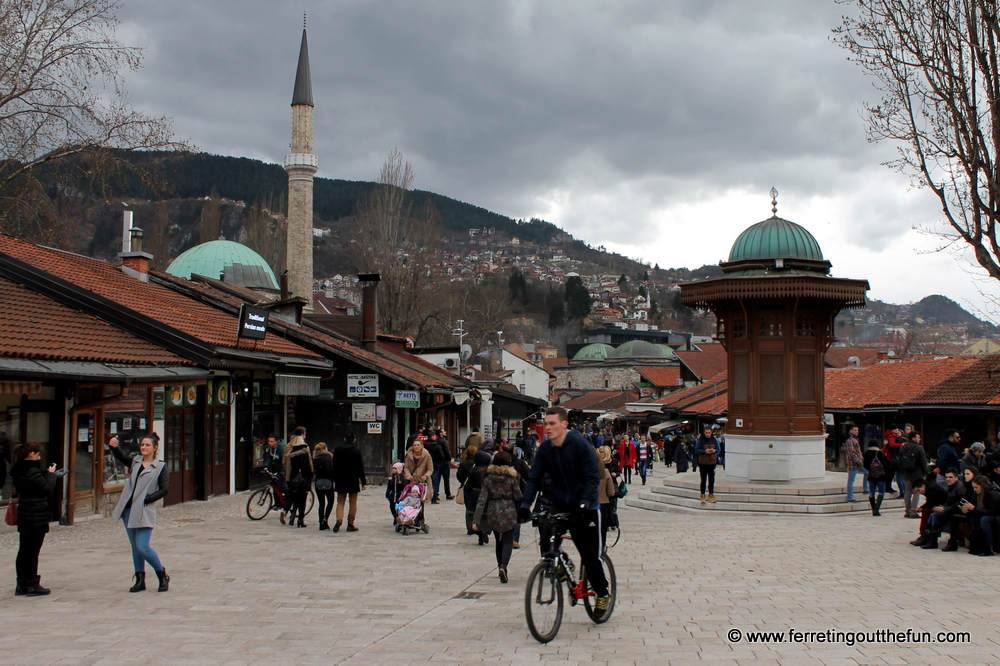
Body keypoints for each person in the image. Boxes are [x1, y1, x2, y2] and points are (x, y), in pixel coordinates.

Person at [519, 406, 611, 619]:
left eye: (552, 424)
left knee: (590, 556)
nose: (548, 428)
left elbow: (591, 478)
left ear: (564, 425)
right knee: (546, 543)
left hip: (586, 505)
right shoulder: (546, 449)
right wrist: (525, 506)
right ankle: (562, 564)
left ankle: (603, 593)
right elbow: (534, 478)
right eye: (546, 424)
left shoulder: (580, 445)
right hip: (560, 502)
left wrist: (584, 503)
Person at [109, 434, 170, 593]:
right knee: (135, 547)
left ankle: (161, 573)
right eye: (142, 444)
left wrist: (147, 499)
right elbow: (121, 457)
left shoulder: (160, 466)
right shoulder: (136, 462)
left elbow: (164, 489)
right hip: (128, 510)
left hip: (143, 510)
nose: (143, 447)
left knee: (142, 547)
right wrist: (114, 446)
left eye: (147, 445)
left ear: (155, 448)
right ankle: (140, 579)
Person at [10, 441, 57, 596]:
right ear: (32, 454)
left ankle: (21, 584)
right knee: (32, 551)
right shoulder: (32, 471)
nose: (39, 457)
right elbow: (47, 489)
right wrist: (51, 475)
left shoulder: (18, 470)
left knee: (24, 550)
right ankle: (32, 584)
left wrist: (44, 474)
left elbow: (32, 484)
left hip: (24, 512)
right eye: (38, 454)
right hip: (36, 514)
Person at [472, 451, 523, 583]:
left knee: (498, 541)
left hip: (493, 510)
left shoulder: (488, 477)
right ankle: (503, 566)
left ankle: (499, 565)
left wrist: (476, 520)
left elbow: (482, 499)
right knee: (507, 540)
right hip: (509, 510)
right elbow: (518, 495)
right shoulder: (512, 477)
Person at [921, 468, 965, 549]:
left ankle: (932, 540)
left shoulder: (960, 488)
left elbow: (959, 504)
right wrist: (943, 507)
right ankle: (927, 537)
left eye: (951, 477)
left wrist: (944, 509)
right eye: (947, 477)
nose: (948, 479)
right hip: (950, 509)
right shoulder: (951, 486)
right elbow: (948, 501)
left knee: (935, 515)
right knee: (933, 514)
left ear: (956, 478)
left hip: (958, 512)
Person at [332, 432, 367, 533]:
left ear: (344, 439)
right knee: (353, 503)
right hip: (353, 480)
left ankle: (339, 519)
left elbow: (334, 465)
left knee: (340, 501)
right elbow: (360, 467)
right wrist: (363, 482)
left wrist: (335, 478)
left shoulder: (337, 450)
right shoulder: (356, 451)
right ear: (354, 440)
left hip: (340, 479)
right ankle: (350, 524)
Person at [959, 475, 1000, 555]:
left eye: (976, 487)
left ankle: (989, 547)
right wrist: (967, 509)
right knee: (974, 518)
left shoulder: (994, 493)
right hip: (987, 513)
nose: (974, 490)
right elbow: (974, 507)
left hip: (996, 516)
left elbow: (992, 511)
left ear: (982, 486)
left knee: (984, 519)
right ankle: (976, 545)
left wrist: (974, 508)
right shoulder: (978, 493)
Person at [284, 430, 313, 528]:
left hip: (293, 476)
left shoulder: (291, 452)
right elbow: (307, 466)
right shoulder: (304, 451)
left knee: (295, 497)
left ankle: (292, 516)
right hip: (302, 477)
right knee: (303, 499)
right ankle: (300, 519)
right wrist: (310, 477)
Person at [464, 450, 493, 544]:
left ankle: (479, 534)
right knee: (486, 516)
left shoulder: (474, 470)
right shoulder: (490, 470)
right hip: (488, 495)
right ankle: (486, 530)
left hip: (475, 495)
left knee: (475, 515)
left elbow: (469, 484)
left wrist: (467, 495)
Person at [910, 477, 948, 547]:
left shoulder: (931, 489)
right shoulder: (929, 486)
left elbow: (931, 503)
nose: (919, 493)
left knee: (926, 512)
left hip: (945, 507)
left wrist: (921, 508)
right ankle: (924, 535)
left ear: (923, 486)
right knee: (926, 511)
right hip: (941, 506)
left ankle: (924, 535)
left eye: (919, 490)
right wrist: (921, 508)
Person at [263, 433, 292, 524]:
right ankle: (277, 503)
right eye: (269, 441)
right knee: (274, 484)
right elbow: (270, 458)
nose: (269, 443)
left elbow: (285, 461)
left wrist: (283, 472)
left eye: (271, 441)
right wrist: (266, 466)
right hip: (276, 468)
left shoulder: (282, 448)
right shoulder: (272, 448)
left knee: (281, 484)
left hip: (283, 469)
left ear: (276, 442)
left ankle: (289, 496)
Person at [898, 432, 928, 518]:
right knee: (916, 492)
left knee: (907, 492)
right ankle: (913, 511)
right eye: (918, 437)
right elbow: (923, 462)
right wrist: (926, 473)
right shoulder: (919, 448)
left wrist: (903, 471)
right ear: (914, 438)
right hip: (917, 474)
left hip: (906, 473)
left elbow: (899, 461)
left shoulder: (903, 447)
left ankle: (907, 511)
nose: (919, 439)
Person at [596, 446, 617, 548]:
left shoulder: (584, 472)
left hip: (589, 506)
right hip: (603, 504)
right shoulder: (605, 472)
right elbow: (611, 492)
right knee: (602, 534)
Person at [863, 440, 890, 516]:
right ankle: (876, 510)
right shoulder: (879, 453)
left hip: (871, 476)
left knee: (871, 492)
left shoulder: (867, 453)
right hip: (881, 476)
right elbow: (884, 464)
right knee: (881, 492)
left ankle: (873, 509)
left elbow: (865, 465)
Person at [312, 442, 335, 531]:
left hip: (318, 482)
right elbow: (329, 470)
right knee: (330, 502)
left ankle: (320, 521)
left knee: (321, 503)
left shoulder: (315, 458)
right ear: (325, 448)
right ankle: (325, 519)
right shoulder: (327, 457)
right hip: (327, 481)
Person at [694, 425, 719, 504]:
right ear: (704, 433)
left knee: (711, 480)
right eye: (706, 433)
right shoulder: (700, 440)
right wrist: (705, 451)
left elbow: (719, 449)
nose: (708, 434)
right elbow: (696, 450)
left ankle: (711, 495)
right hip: (703, 462)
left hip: (712, 462)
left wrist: (714, 451)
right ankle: (702, 495)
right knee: (703, 480)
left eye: (709, 433)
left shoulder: (714, 440)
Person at [428, 429, 453, 504]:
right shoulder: (444, 441)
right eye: (443, 431)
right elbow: (447, 452)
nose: (445, 432)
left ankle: (436, 494)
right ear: (440, 433)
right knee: (446, 479)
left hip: (436, 463)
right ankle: (448, 494)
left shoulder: (435, 442)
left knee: (436, 480)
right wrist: (449, 459)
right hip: (444, 462)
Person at [843, 425, 864, 503]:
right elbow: (852, 453)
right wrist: (858, 460)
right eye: (855, 430)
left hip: (857, 462)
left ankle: (865, 489)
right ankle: (850, 497)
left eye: (857, 430)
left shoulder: (854, 439)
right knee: (851, 480)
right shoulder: (850, 440)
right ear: (851, 431)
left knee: (867, 472)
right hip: (853, 463)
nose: (857, 432)